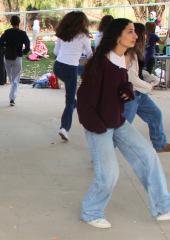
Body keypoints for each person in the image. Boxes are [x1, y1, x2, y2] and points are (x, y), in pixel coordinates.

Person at [77, 18, 170, 229]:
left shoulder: (123, 60)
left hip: (118, 122)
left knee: (149, 156)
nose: (136, 35)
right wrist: (98, 128)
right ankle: (91, 212)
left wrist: (127, 88)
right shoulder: (100, 63)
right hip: (99, 125)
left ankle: (163, 207)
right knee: (109, 174)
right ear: (117, 35)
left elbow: (120, 85)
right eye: (130, 32)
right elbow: (83, 101)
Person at [124, 22, 170, 153]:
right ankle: (103, 153)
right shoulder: (128, 53)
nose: (146, 37)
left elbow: (138, 72)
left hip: (140, 94)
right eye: (144, 34)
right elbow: (131, 78)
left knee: (155, 114)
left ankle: (160, 144)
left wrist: (150, 77)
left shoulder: (137, 51)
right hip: (130, 94)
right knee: (122, 128)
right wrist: (148, 86)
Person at [53, 11, 93, 141]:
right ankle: (64, 128)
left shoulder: (62, 34)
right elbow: (90, 55)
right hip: (71, 69)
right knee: (69, 101)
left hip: (58, 67)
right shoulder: (84, 37)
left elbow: (56, 51)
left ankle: (75, 105)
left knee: (71, 101)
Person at [0, 15, 30, 106]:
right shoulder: (22, 33)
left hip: (8, 56)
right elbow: (27, 45)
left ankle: (12, 90)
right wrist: (24, 52)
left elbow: (0, 42)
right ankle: (12, 98)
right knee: (15, 78)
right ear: (19, 22)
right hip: (18, 56)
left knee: (11, 76)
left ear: (11, 23)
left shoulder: (7, 32)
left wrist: (5, 46)